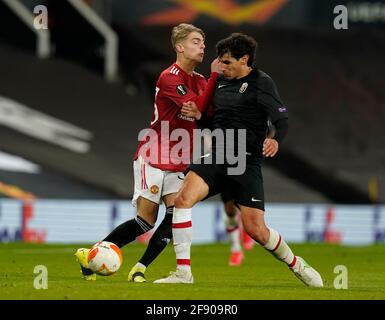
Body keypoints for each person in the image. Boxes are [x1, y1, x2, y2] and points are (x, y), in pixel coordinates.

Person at [154, 33, 323, 287]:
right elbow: (212, 121)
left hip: (245, 160)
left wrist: (275, 139)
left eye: (227, 62)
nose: (222, 67)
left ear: (245, 59)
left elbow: (281, 120)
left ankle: (296, 264)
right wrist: (199, 115)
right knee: (182, 200)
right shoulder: (221, 82)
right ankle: (183, 273)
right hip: (218, 153)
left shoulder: (262, 82)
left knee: (256, 230)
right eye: (220, 62)